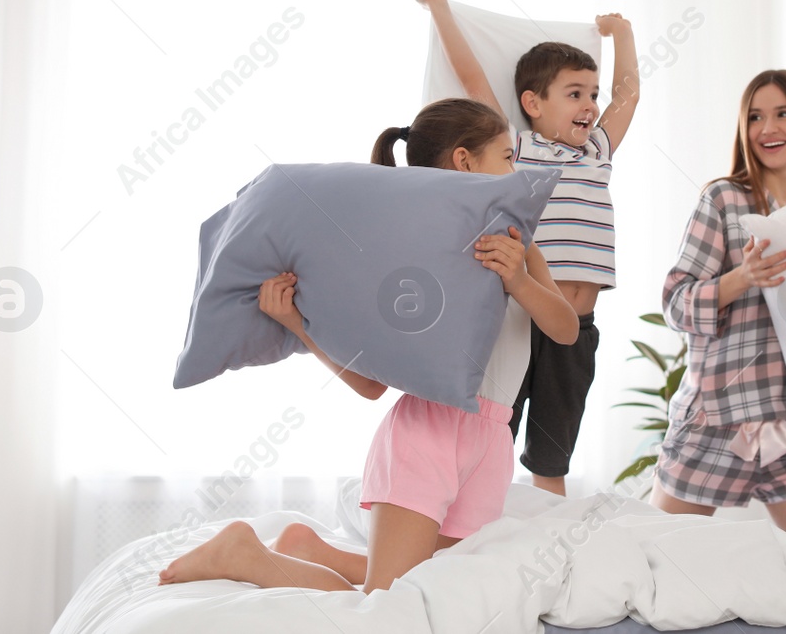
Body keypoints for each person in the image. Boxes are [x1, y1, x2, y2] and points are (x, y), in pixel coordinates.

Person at [157, 98, 579, 592]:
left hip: (492, 439)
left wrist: (519, 280)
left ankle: (312, 551)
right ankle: (245, 556)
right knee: (389, 602)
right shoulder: (411, 259)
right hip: (427, 436)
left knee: (439, 587)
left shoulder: (518, 243)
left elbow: (566, 331)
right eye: (507, 156)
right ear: (465, 161)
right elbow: (372, 387)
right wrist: (296, 323)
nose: (517, 170)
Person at [417, 0, 640, 495]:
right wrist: (441, 10)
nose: (590, 105)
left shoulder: (597, 151)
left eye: (593, 94)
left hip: (576, 326)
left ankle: (545, 532)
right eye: (575, 93)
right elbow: (472, 78)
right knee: (496, 429)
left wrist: (624, 34)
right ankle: (473, 518)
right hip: (519, 319)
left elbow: (629, 91)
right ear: (532, 103)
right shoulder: (516, 149)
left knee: (553, 451)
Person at [653, 70, 786, 542]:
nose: (768, 129)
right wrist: (742, 278)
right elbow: (675, 303)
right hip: (717, 421)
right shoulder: (724, 201)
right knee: (649, 555)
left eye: (783, 114)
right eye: (756, 117)